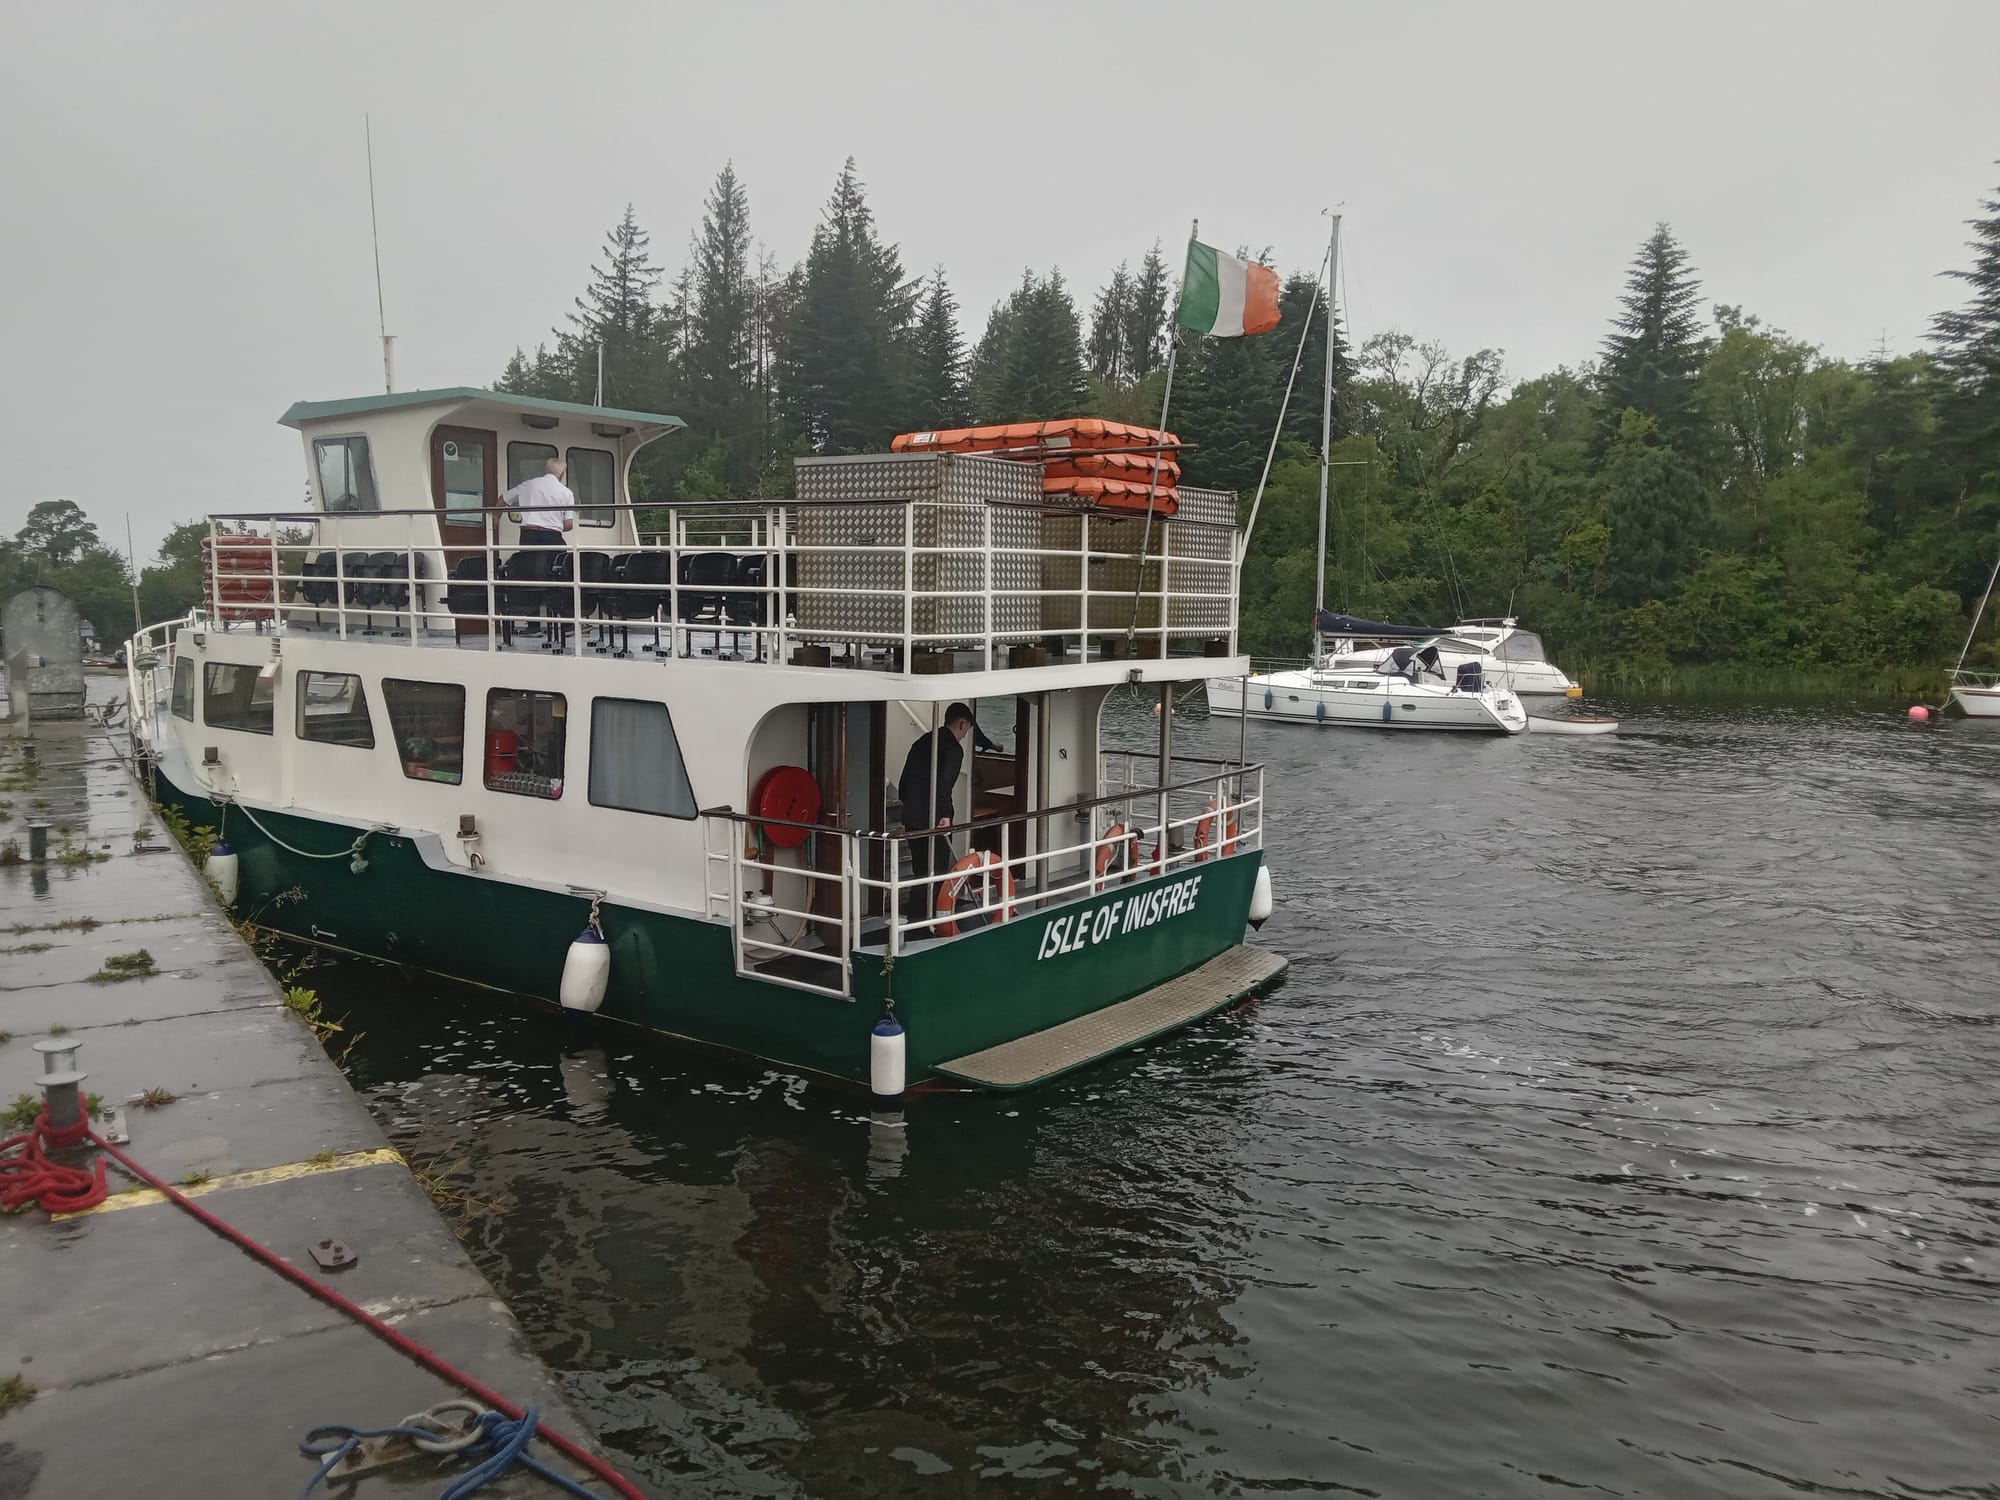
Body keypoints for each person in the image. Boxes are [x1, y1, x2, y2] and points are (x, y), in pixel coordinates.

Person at [898, 702, 979, 923]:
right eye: (966, 729)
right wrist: (945, 815)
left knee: (920, 871)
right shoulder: (953, 749)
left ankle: (915, 919)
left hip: (912, 817)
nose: (964, 735)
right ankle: (933, 919)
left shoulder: (923, 741)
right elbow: (944, 784)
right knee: (936, 871)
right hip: (933, 819)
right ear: (962, 724)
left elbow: (904, 781)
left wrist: (910, 806)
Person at [503, 458, 575, 545]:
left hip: (528, 535)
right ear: (562, 474)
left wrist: (495, 517)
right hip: (552, 535)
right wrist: (555, 526)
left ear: (546, 470)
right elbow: (569, 524)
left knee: (527, 554)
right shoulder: (567, 493)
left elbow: (503, 499)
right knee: (561, 552)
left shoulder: (529, 485)